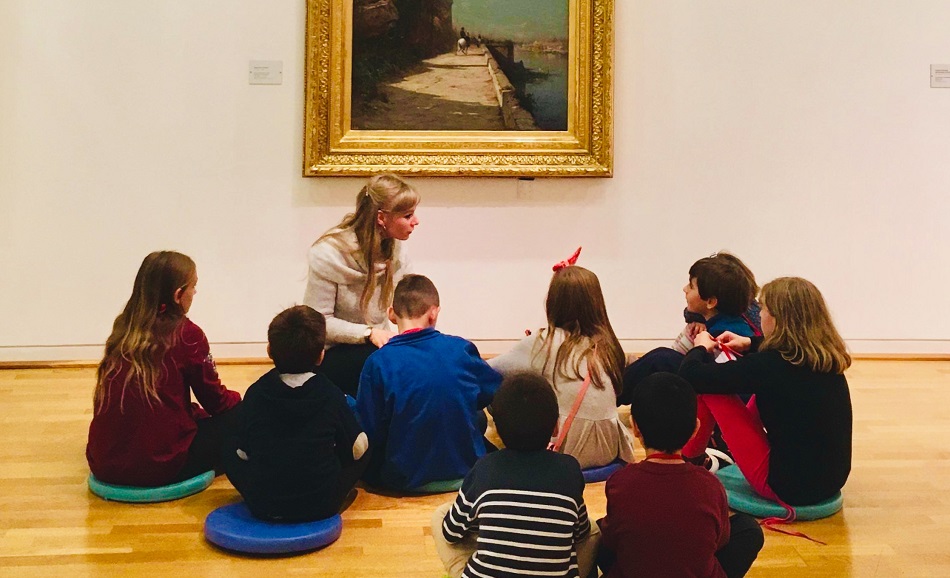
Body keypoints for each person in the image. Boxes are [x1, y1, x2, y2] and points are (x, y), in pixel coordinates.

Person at [679, 277, 853, 507]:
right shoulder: (824, 357)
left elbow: (691, 376)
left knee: (712, 391)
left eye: (763, 309)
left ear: (777, 319)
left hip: (786, 487)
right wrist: (750, 343)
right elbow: (783, 353)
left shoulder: (769, 366)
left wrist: (700, 347)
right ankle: (699, 457)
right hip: (831, 480)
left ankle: (688, 464)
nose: (759, 314)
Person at [86, 251, 241, 487]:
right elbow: (217, 402)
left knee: (195, 413)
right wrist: (241, 402)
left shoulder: (124, 326)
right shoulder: (188, 335)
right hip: (160, 466)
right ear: (178, 295)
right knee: (241, 418)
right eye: (193, 286)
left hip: (104, 464)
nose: (195, 293)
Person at [432, 372, 600, 578]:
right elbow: (581, 532)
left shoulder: (485, 468)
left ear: (497, 429)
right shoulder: (569, 469)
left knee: (441, 515)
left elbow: (451, 532)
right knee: (593, 529)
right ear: (556, 426)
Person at [597, 372, 764, 578]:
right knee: (749, 529)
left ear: (635, 427)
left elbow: (611, 541)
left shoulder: (620, 481)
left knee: (598, 530)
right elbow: (719, 541)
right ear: (695, 429)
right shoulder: (710, 485)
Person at [489, 251, 635, 468]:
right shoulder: (608, 344)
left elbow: (491, 369)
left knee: (505, 390)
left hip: (569, 449)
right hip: (609, 447)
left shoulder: (544, 342)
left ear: (553, 302)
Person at [356, 274, 501, 491]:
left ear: (391, 314)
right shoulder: (461, 349)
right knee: (476, 415)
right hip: (466, 473)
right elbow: (496, 393)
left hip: (404, 481)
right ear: (434, 313)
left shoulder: (377, 363)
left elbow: (369, 430)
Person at [224, 305, 369, 521]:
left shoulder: (256, 392)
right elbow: (357, 448)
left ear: (269, 351)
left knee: (227, 448)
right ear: (321, 356)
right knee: (364, 449)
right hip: (321, 503)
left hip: (264, 503)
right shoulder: (331, 394)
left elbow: (241, 451)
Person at [303, 173, 420, 396]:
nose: (416, 221)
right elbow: (318, 322)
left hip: (375, 347)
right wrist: (367, 333)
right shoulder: (329, 254)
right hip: (335, 352)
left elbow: (408, 301)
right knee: (389, 373)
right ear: (381, 218)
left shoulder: (396, 249)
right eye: (408, 215)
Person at [620, 252, 759, 405]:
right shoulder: (727, 321)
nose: (684, 289)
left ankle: (614, 392)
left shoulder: (722, 335)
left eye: (691, 286)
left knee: (661, 359)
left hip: (726, 401)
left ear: (710, 302)